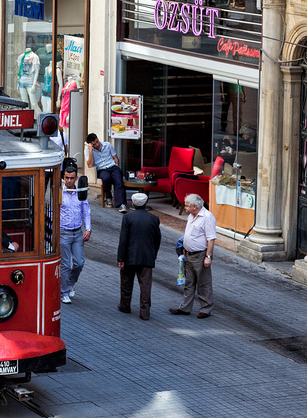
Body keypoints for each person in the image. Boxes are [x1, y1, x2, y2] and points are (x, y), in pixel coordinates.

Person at [169, 193, 216, 319]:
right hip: (189, 254)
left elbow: (211, 239)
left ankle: (206, 309)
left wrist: (208, 257)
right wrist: (185, 247)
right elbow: (189, 234)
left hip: (200, 255)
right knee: (189, 282)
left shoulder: (207, 217)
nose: (185, 208)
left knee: (203, 283)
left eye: (186, 206)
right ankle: (185, 308)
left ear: (195, 206)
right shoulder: (191, 215)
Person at [117, 192, 162, 320]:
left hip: (129, 256)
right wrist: (153, 254)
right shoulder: (154, 219)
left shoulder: (128, 218)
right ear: (146, 203)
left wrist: (121, 258)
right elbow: (157, 239)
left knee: (126, 283)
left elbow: (123, 240)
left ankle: (125, 306)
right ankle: (145, 312)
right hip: (147, 257)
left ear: (133, 204)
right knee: (145, 286)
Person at [59, 165, 90, 305]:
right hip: (63, 233)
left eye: (72, 178)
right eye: (67, 178)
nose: (69, 181)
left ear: (76, 178)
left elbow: (86, 211)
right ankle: (64, 292)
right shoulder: (60, 193)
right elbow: (53, 213)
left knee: (79, 262)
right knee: (65, 264)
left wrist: (88, 229)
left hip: (77, 232)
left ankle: (70, 284)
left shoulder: (81, 192)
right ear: (63, 178)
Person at [85, 133, 126, 213]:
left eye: (97, 141)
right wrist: (90, 150)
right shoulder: (88, 150)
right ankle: (108, 197)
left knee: (118, 180)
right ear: (90, 144)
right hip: (101, 169)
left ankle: (121, 204)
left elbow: (115, 157)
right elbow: (90, 165)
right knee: (106, 178)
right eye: (94, 144)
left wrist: (117, 165)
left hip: (112, 166)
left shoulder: (107, 145)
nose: (97, 144)